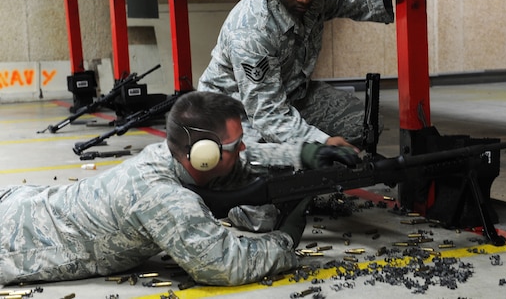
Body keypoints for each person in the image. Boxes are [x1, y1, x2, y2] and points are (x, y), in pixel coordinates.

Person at [0, 91, 358, 287]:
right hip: (13, 242)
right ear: (203, 155)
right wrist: (286, 239)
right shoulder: (164, 197)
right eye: (234, 146)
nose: (243, 152)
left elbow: (244, 156)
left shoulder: (168, 152)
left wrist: (307, 151)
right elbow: (223, 266)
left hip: (22, 205)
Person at [198, 0, 410, 150]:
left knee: (363, 125)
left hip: (289, 96)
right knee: (258, 160)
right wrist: (323, 142)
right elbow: (268, 116)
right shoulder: (251, 31)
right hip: (232, 114)